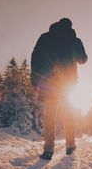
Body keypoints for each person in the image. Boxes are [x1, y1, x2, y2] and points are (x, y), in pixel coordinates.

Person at [31, 18, 88, 160]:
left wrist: (35, 81)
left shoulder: (46, 37)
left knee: (50, 116)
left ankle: (48, 149)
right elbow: (83, 59)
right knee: (68, 115)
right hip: (68, 84)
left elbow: (35, 57)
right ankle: (70, 146)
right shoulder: (74, 40)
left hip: (49, 83)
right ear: (70, 27)